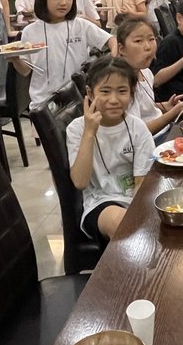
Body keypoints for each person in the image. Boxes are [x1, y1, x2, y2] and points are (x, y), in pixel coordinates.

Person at [65, 57, 157, 244]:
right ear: (90, 93)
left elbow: (141, 182)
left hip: (135, 199)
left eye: (122, 91)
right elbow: (80, 182)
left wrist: (139, 213)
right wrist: (89, 132)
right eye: (105, 91)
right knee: (121, 224)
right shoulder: (77, 129)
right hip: (100, 202)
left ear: (131, 93)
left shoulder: (138, 128)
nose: (114, 100)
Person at [12, 0, 113, 110]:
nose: (63, 2)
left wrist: (114, 63)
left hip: (76, 99)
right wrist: (15, 59)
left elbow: (111, 40)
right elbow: (25, 71)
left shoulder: (80, 25)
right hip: (42, 103)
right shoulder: (30, 31)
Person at [114, 16, 183, 136]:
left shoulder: (146, 72)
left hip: (165, 130)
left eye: (151, 39)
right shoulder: (121, 84)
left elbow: (144, 109)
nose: (148, 47)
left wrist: (165, 106)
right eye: (138, 41)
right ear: (121, 49)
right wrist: (172, 113)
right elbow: (136, 133)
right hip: (151, 140)